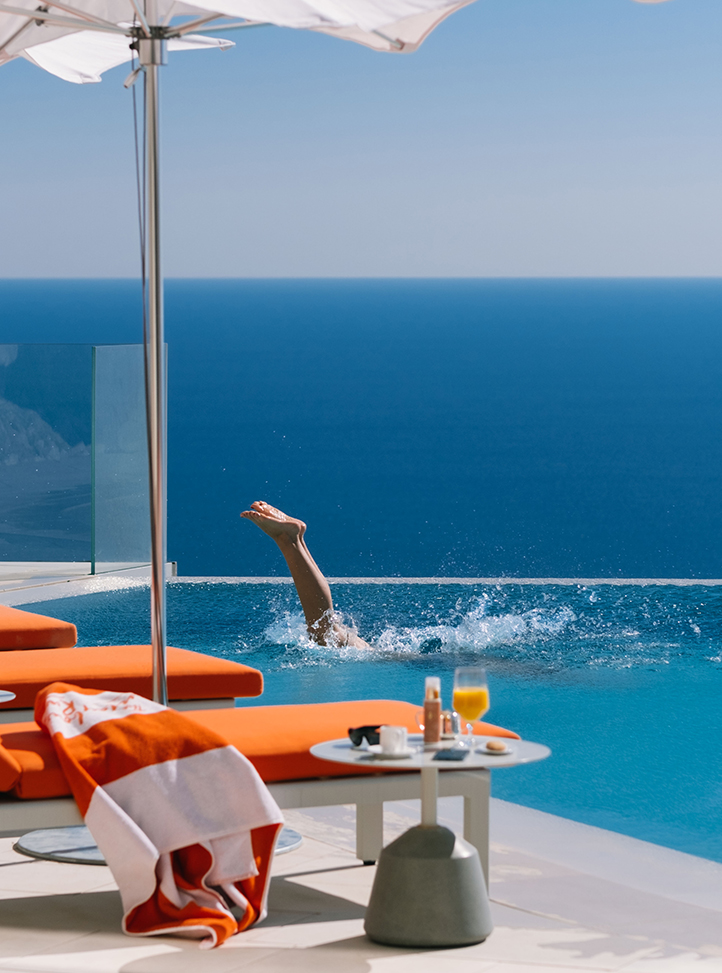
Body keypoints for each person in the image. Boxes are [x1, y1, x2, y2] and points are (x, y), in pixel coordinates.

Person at [241, 500, 371, 649]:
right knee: (326, 634)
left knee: (333, 633)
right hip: (385, 659)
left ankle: (297, 539)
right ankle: (287, 538)